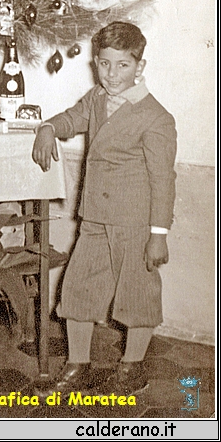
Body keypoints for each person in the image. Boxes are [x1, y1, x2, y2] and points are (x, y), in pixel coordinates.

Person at [32, 22, 177, 395]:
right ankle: (77, 362)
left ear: (139, 66)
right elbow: (73, 117)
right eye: (105, 64)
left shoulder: (156, 118)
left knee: (138, 294)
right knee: (78, 289)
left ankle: (131, 366)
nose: (112, 74)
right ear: (96, 63)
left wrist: (158, 235)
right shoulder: (97, 97)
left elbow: (163, 181)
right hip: (95, 217)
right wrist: (48, 126)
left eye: (123, 66)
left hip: (135, 223)